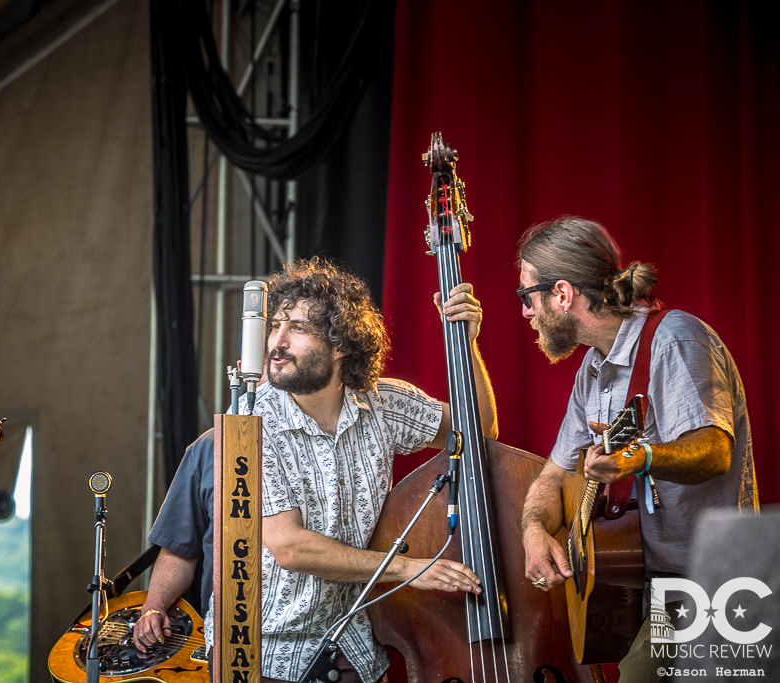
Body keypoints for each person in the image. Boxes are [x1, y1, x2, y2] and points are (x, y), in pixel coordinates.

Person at [137, 256, 497, 683]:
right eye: (276, 325)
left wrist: (466, 344)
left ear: (341, 343)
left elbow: (479, 431)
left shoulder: (383, 403)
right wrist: (406, 568)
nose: (277, 341)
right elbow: (289, 547)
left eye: (299, 329)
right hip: (261, 658)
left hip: (353, 647)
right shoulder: (250, 422)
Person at [516, 217, 757, 682]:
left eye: (527, 296)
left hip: (712, 585)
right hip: (653, 586)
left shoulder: (676, 339)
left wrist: (640, 457)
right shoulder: (592, 368)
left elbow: (714, 451)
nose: (525, 311)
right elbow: (552, 474)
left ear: (561, 294)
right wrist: (533, 531)